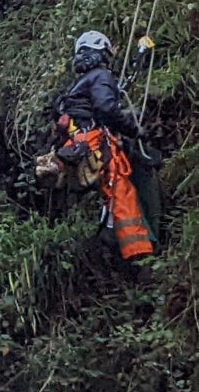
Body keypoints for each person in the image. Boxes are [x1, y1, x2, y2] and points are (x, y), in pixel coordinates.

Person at [52, 31, 155, 260]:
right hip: (95, 144)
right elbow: (107, 109)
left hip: (79, 147)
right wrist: (134, 130)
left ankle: (110, 244)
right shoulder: (100, 77)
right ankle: (136, 252)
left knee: (112, 195)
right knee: (121, 193)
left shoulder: (79, 85)